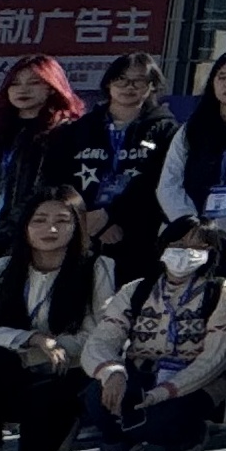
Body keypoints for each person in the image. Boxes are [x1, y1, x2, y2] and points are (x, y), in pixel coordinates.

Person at [0, 190, 103, 451]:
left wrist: (47, 349)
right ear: (25, 226)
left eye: (62, 221)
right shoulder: (1, 268)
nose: (50, 229)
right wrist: (31, 339)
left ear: (78, 225)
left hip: (65, 372)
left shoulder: (96, 267)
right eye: (39, 220)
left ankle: (70, 420)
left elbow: (99, 335)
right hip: (18, 367)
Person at [80, 224, 226, 451]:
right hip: (140, 372)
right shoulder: (136, 290)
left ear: (211, 252)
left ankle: (188, 438)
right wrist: (111, 372)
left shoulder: (222, 292)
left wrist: (164, 391)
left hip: (194, 381)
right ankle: (120, 444)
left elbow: (215, 358)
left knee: (166, 417)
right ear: (162, 248)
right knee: (97, 394)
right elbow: (100, 341)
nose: (186, 253)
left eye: (198, 247)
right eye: (178, 245)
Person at [63, 53, 179, 284]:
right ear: (108, 83)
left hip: (138, 235)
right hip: (82, 230)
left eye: (138, 81)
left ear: (152, 86)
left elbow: (158, 181)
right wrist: (84, 217)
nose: (129, 86)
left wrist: (113, 216)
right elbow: (59, 177)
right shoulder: (79, 129)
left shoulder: (166, 130)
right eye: (121, 79)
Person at [157, 52, 226, 246]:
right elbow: (169, 182)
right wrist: (191, 225)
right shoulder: (191, 129)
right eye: (222, 77)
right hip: (184, 235)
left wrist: (219, 229)